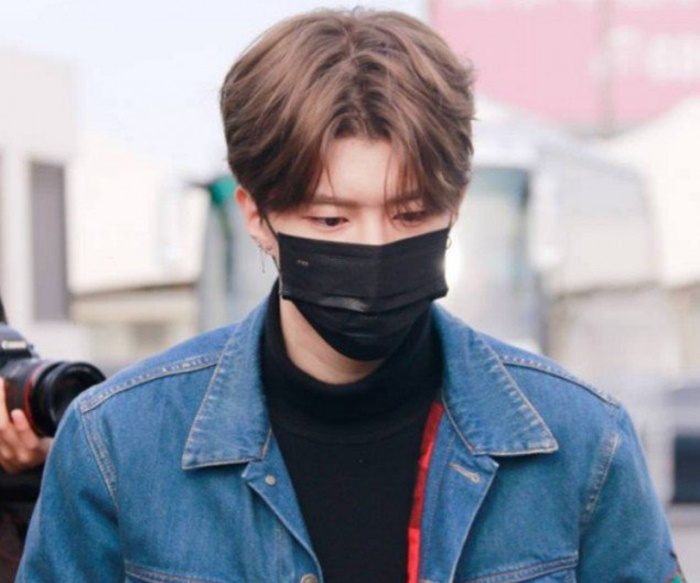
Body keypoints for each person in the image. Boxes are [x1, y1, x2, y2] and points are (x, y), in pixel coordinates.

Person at [17, 8, 684, 583]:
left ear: (455, 204)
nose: (374, 247)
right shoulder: (118, 443)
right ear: (256, 216)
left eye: (410, 213)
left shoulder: (582, 440)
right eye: (331, 220)